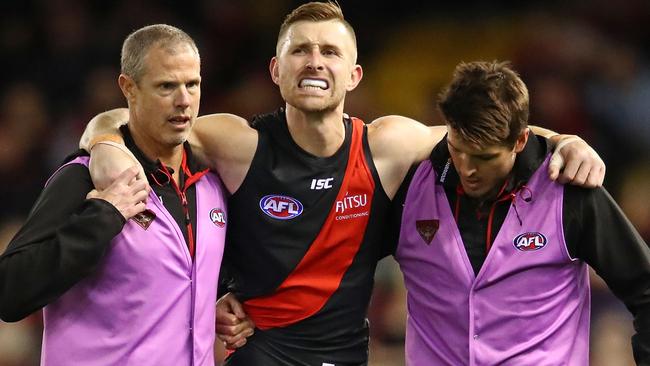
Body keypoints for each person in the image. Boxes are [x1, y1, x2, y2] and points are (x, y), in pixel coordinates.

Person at [79, 3, 605, 365]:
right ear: (275, 71)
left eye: (329, 52)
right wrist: (103, 147)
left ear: (354, 74)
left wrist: (565, 140)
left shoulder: (389, 145)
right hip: (258, 354)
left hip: (348, 355)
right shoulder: (236, 142)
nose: (314, 61)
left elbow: (490, 132)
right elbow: (126, 119)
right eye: (300, 51)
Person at [392, 60, 650, 365]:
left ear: (520, 140)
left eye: (484, 157)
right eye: (456, 149)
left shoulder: (568, 188)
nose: (468, 168)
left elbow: (644, 288)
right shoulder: (407, 187)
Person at [0, 24, 229, 365]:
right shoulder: (85, 176)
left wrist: (227, 301)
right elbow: (10, 291)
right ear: (129, 88)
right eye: (166, 86)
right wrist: (103, 216)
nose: (183, 100)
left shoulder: (210, 184)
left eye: (192, 84)